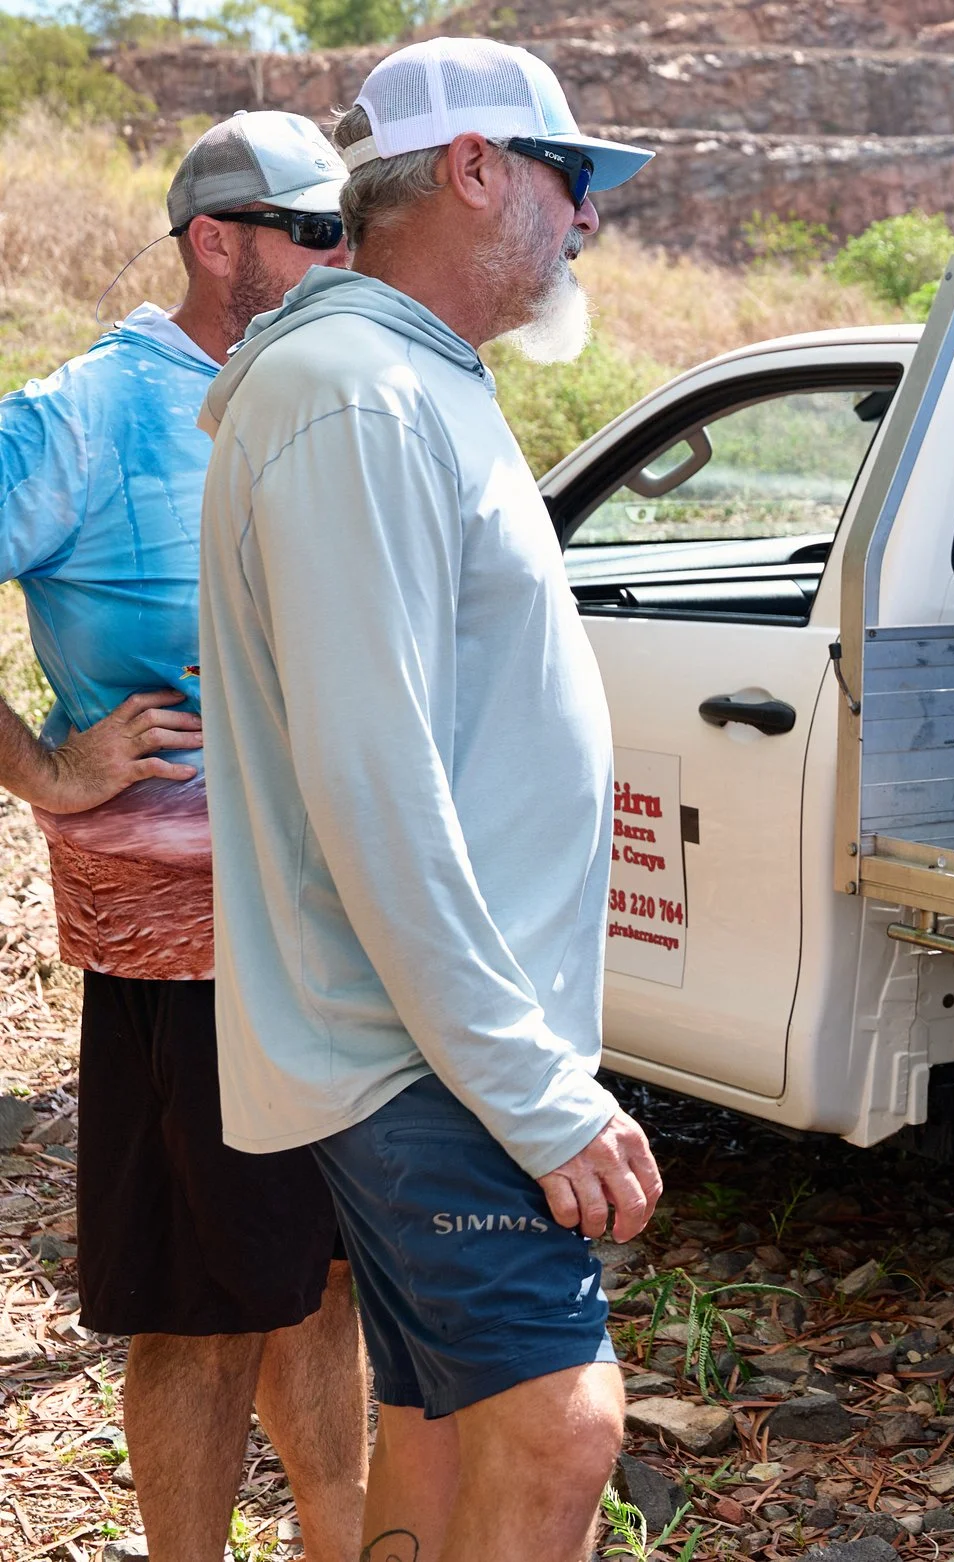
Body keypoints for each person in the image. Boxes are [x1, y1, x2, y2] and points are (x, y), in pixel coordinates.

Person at [194, 38, 663, 1560]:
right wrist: (534, 1089)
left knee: (447, 1425)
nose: (584, 218)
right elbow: (371, 788)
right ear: (474, 168)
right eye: (569, 177)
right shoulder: (356, 398)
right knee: (561, 1425)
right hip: (426, 1054)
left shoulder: (400, 378)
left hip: (429, 1037)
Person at [0, 112, 369, 1562]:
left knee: (328, 1280)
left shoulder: (324, 395)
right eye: (322, 232)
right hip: (189, 953)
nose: (351, 259)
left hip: (344, 935)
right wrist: (45, 769)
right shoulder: (87, 412)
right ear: (220, 241)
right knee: (206, 1306)